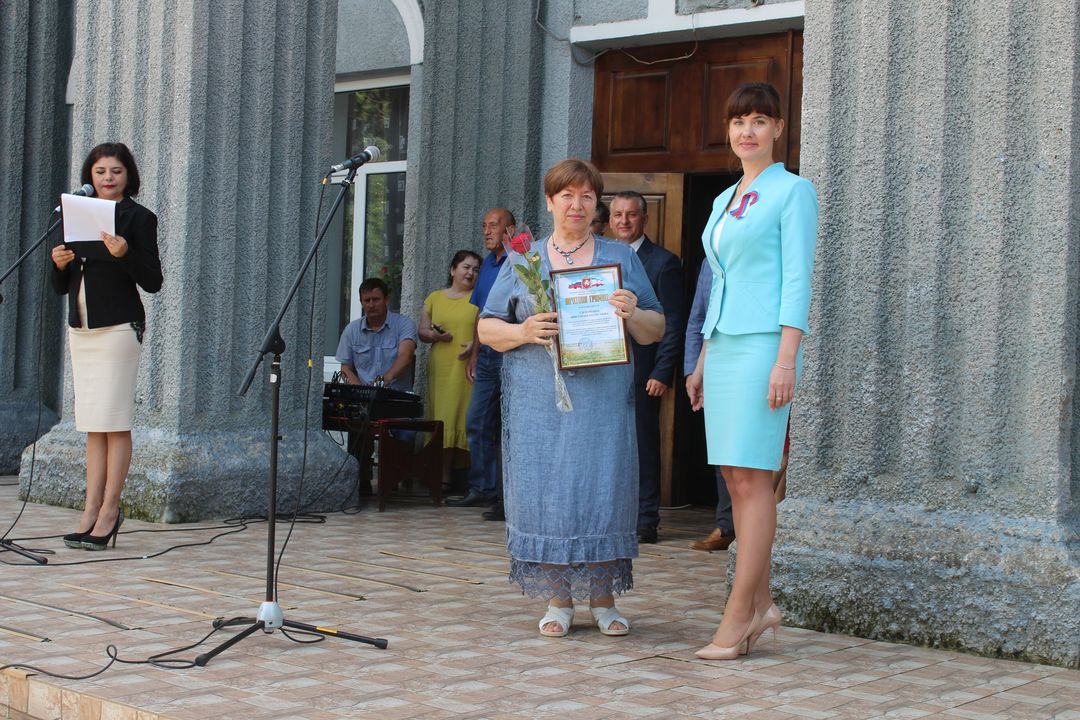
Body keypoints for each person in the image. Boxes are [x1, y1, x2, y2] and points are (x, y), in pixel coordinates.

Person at [478, 159, 664, 637]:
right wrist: (523, 331)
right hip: (538, 405)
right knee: (547, 494)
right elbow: (486, 328)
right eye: (567, 195)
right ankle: (558, 600)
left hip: (603, 402)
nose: (576, 205)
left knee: (603, 489)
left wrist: (633, 313)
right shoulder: (525, 260)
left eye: (586, 196)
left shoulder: (619, 258)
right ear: (550, 202)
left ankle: (603, 600)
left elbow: (655, 329)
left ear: (596, 203)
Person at [686, 82, 818, 659]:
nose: (748, 131)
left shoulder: (794, 192)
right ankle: (762, 603)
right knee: (735, 477)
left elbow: (797, 281)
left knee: (755, 477)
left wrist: (786, 358)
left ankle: (739, 614)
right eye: (739, 121)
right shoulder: (724, 199)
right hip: (723, 347)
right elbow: (719, 282)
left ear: (778, 129)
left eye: (760, 120)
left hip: (766, 346)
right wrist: (702, 357)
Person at [50, 142, 163, 551]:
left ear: (128, 175)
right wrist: (57, 265)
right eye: (100, 172)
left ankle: (110, 510)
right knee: (92, 424)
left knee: (114, 421)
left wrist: (124, 253)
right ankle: (89, 511)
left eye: (116, 171)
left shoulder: (138, 218)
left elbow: (153, 280)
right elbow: (61, 285)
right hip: (82, 329)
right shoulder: (75, 213)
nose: (108, 178)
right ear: (90, 176)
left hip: (118, 328)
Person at [609, 191, 684, 544]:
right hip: (604, 368)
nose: (624, 221)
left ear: (645, 218)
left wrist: (662, 371)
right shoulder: (600, 257)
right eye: (618, 214)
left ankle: (646, 519)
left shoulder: (663, 262)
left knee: (642, 445)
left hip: (643, 371)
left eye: (631, 214)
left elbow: (674, 321)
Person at [450, 208, 516, 511]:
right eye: (484, 226)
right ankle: (482, 488)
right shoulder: (487, 263)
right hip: (487, 355)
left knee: (508, 426)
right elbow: (481, 314)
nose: (487, 231)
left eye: (493, 226)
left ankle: (506, 496)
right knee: (476, 420)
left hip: (512, 353)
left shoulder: (521, 260)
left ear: (510, 229)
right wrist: (474, 354)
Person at [335, 278, 418, 494]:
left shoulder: (404, 324)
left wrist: (384, 381)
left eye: (376, 299)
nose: (371, 305)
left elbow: (406, 355)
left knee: (404, 434)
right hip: (365, 402)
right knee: (356, 423)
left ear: (386, 299)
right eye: (366, 300)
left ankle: (397, 476)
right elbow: (345, 368)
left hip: (397, 399)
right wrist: (360, 392)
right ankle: (362, 479)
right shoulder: (352, 330)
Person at [684, 260, 736, 552]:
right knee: (721, 451)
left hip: (753, 362)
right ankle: (726, 525)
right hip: (713, 366)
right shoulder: (707, 263)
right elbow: (698, 320)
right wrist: (693, 369)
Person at [419, 250, 481, 490]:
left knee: (465, 418)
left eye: (475, 269)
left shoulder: (479, 297)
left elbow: (486, 329)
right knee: (443, 417)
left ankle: (468, 480)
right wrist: (435, 335)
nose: (470, 273)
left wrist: (475, 345)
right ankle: (443, 477)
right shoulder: (434, 298)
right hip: (442, 367)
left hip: (468, 368)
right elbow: (422, 331)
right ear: (453, 269)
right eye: (466, 267)